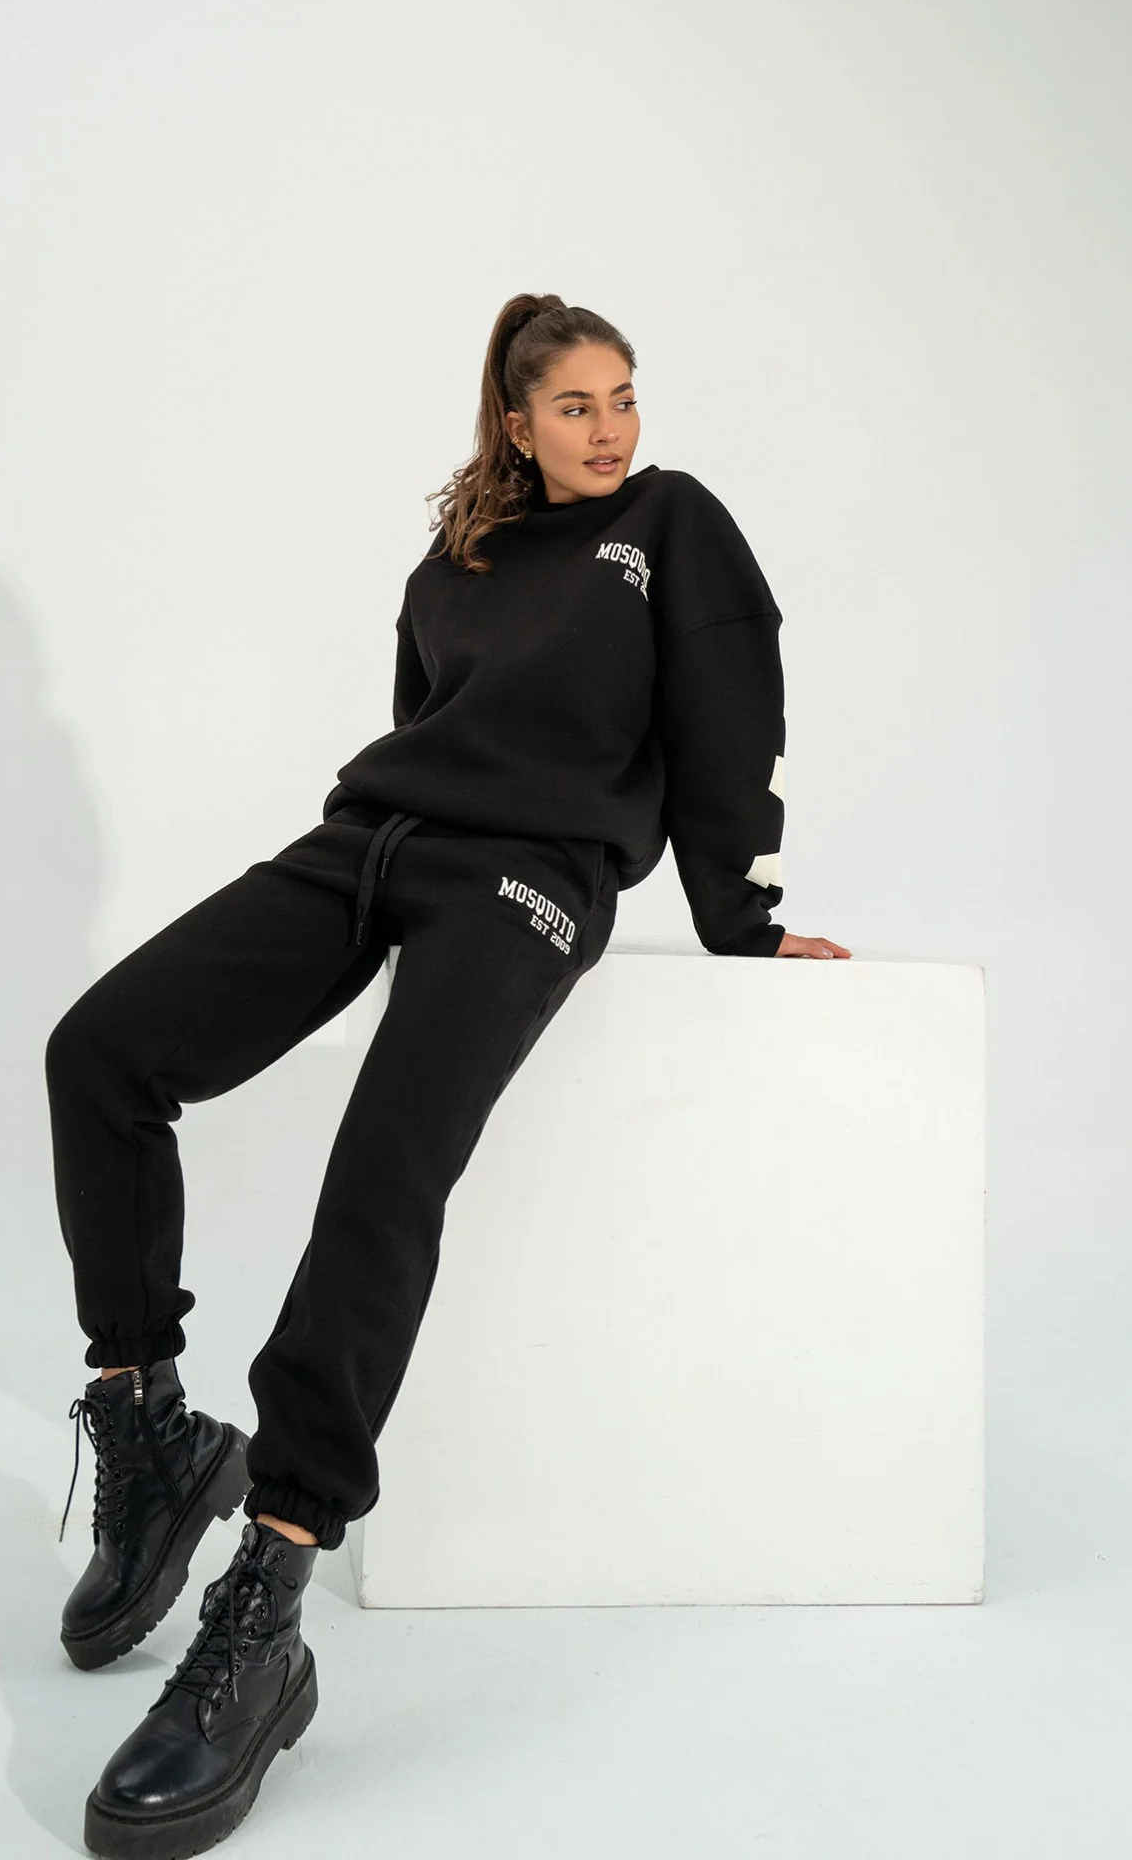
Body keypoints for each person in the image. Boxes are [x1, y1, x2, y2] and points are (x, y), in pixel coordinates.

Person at [44, 291, 851, 1859]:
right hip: (372, 842)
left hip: (531, 876)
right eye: (576, 405)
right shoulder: (457, 556)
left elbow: (724, 712)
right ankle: (149, 1428)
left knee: (383, 1165)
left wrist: (740, 918)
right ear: (515, 420)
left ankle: (269, 1591)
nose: (610, 428)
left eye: (625, 397)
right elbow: (422, 723)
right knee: (102, 1053)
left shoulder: (669, 526)